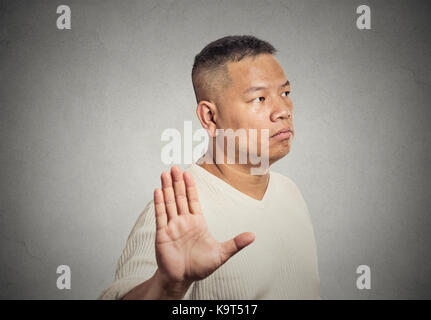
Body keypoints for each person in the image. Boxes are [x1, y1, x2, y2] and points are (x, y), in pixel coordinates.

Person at [98, 35, 321, 300]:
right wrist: (167, 286)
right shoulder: (178, 213)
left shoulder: (289, 191)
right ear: (210, 117)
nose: (283, 110)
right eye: (260, 99)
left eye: (285, 93)